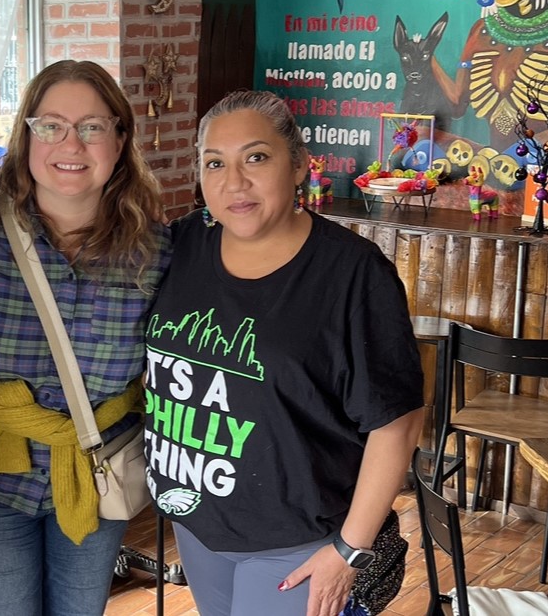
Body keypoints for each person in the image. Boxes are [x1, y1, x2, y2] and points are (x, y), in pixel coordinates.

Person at [145, 90, 423, 616]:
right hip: (198, 524)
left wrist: (349, 551)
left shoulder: (351, 274)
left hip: (298, 544)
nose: (235, 182)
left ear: (297, 165)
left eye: (256, 157)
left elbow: (397, 423)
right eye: (214, 163)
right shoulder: (180, 247)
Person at [0, 60, 171, 616]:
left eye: (92, 126)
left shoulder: (157, 253)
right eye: (50, 124)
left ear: (120, 137)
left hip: (100, 473)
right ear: (26, 135)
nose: (70, 143)